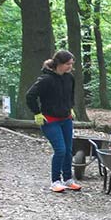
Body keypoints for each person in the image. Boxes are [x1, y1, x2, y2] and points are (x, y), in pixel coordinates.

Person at [26, 50, 82, 193]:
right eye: (68, 64)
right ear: (59, 64)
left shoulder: (69, 78)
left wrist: (70, 107)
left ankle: (68, 179)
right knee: (60, 150)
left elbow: (70, 94)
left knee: (68, 151)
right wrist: (37, 113)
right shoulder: (46, 79)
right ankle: (55, 181)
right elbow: (30, 95)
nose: (70, 67)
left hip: (66, 119)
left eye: (71, 64)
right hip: (50, 120)